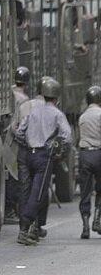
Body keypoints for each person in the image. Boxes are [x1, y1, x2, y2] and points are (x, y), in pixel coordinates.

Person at [15, 77, 72, 245]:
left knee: (30, 191)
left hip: (28, 154)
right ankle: (25, 229)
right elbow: (67, 137)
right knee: (38, 193)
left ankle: (34, 228)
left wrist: (28, 143)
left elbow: (19, 132)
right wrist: (59, 151)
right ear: (55, 97)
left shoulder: (32, 111)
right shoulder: (57, 114)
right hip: (44, 157)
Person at [16, 76, 51, 239]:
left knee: (25, 189)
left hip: (23, 151)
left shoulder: (25, 105)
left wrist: (26, 142)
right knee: (40, 189)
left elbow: (15, 129)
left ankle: (23, 226)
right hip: (40, 152)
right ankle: (36, 225)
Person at [5, 67, 30, 224]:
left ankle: (9, 209)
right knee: (15, 176)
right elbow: (23, 123)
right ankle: (9, 210)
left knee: (8, 174)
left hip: (5, 137)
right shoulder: (24, 99)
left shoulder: (9, 92)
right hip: (15, 140)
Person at [77, 85, 101, 239]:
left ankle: (85, 226)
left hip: (85, 155)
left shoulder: (83, 116)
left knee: (85, 192)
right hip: (99, 154)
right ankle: (97, 220)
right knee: (100, 190)